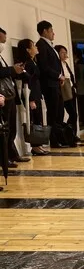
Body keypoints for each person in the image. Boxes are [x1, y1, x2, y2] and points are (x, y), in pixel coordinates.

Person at [0, 27, 31, 167]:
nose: (2, 45)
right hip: (3, 97)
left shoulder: (1, 57)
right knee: (5, 129)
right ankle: (5, 158)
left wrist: (14, 70)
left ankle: (12, 154)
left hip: (10, 95)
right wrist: (12, 69)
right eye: (1, 41)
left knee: (12, 128)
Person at [36, 20, 68, 149]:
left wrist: (60, 77)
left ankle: (60, 138)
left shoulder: (49, 45)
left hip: (55, 84)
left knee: (59, 112)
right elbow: (44, 66)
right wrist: (58, 76)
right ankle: (54, 140)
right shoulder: (41, 45)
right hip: (49, 85)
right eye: (51, 31)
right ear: (45, 31)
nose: (53, 33)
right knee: (53, 113)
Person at [16, 39, 48, 156]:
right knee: (34, 121)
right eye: (33, 46)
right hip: (31, 95)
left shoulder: (33, 61)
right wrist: (31, 99)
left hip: (36, 93)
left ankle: (38, 144)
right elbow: (27, 82)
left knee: (38, 120)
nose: (36, 47)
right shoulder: (26, 63)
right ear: (28, 50)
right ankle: (35, 146)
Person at [55, 45, 83, 145]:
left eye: (65, 52)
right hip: (63, 91)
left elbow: (71, 77)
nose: (65, 54)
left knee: (74, 114)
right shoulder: (57, 64)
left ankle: (72, 134)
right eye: (62, 52)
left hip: (70, 90)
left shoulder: (65, 64)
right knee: (69, 113)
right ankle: (67, 135)